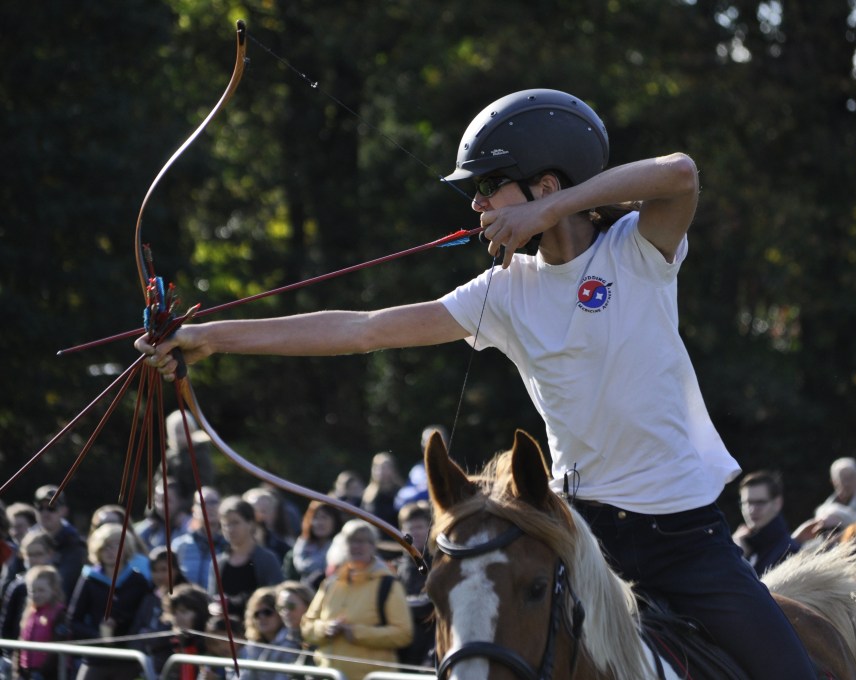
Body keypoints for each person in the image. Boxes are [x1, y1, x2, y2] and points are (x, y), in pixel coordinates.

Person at [137, 87, 817, 678]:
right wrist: (210, 338)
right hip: (578, 542)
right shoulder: (502, 292)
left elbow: (681, 173)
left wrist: (553, 211)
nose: (478, 202)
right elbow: (364, 328)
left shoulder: (636, 249)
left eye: (491, 186)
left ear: (546, 186)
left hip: (687, 544)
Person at [302, 520, 413, 680]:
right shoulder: (330, 583)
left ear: (373, 546)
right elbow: (306, 626)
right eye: (351, 541)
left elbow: (403, 634)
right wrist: (325, 629)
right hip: (328, 675)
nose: (357, 546)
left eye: (363, 541)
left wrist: (357, 633)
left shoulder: (388, 584)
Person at [67, 522, 152, 680]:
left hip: (128, 660)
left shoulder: (138, 582)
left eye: (116, 545)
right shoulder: (89, 579)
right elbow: (73, 620)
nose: (110, 551)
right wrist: (99, 635)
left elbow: (145, 619)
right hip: (96, 659)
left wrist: (121, 623)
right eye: (105, 546)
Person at [207, 496, 283, 619]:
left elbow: (275, 597)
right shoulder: (219, 562)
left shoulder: (267, 559)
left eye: (235, 523)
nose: (230, 529)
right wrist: (213, 607)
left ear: (251, 523)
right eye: (225, 524)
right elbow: (212, 597)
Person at [732, 470, 800, 576]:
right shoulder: (743, 543)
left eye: (760, 502)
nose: (752, 510)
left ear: (777, 503)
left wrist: (738, 558)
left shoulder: (789, 552)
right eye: (747, 503)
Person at [392, 501, 433, 667]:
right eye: (409, 528)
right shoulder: (394, 567)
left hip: (429, 650)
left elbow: (429, 606)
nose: (414, 533)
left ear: (429, 530)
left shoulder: (440, 565)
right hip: (400, 649)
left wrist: (396, 605)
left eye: (419, 527)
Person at [11, 565, 67, 680]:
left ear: (54, 590)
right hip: (26, 671)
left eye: (41, 590)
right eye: (32, 591)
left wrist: (42, 673)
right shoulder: (29, 612)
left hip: (48, 674)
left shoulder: (59, 614)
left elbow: (56, 648)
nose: (36, 595)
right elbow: (20, 643)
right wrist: (17, 670)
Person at [1, 529, 56, 642]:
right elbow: (6, 627)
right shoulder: (18, 586)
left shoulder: (57, 583)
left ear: (50, 554)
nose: (34, 559)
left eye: (39, 554)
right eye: (30, 555)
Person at [237, 586, 303, 680]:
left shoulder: (292, 643)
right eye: (256, 614)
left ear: (280, 613)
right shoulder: (251, 646)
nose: (262, 617)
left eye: (267, 612)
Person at [32, 485, 86, 599]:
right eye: (40, 508)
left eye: (52, 508)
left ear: (64, 511)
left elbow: (63, 584)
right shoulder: (29, 540)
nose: (45, 513)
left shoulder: (74, 544)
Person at [172, 487, 227, 586]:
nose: (209, 507)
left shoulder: (230, 544)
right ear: (193, 510)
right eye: (203, 503)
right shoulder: (179, 545)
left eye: (213, 502)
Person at [282, 500, 343, 589]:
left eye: (324, 517)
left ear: (335, 521)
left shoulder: (341, 551)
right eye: (315, 517)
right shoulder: (295, 552)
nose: (319, 522)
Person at [162, 409, 214, 501]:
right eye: (173, 432)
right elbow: (161, 480)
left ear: (191, 430)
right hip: (171, 504)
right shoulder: (170, 455)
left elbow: (204, 484)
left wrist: (184, 507)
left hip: (193, 504)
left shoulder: (201, 453)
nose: (176, 437)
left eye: (180, 432)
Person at [162, 584, 211, 680]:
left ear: (199, 612)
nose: (177, 618)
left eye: (183, 611)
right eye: (174, 613)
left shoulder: (211, 645)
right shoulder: (171, 645)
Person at [135, 480, 192, 552]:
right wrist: (147, 527)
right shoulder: (154, 526)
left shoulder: (191, 524)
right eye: (157, 500)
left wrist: (184, 525)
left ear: (180, 501)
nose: (161, 506)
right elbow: (133, 542)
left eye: (167, 500)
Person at [274, 581, 315, 665]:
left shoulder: (319, 636)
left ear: (308, 606)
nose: (285, 612)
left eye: (290, 606)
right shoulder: (281, 640)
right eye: (280, 607)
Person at [360, 452, 402, 529]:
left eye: (385, 468)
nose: (381, 471)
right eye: (377, 468)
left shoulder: (400, 493)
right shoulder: (367, 495)